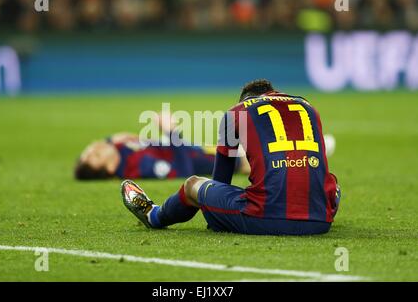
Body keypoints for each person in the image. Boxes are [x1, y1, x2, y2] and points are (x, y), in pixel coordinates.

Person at [121, 79, 340, 235]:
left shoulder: (236, 112)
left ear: (245, 99)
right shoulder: (309, 108)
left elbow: (221, 182)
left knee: (194, 185)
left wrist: (218, 218)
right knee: (332, 183)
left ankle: (154, 215)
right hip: (320, 221)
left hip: (264, 218)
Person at [74, 114, 250, 180]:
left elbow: (105, 144)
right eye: (95, 156)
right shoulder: (141, 165)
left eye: (88, 150)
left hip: (209, 149)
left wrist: (111, 139)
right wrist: (171, 131)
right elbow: (183, 172)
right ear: (110, 168)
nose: (95, 148)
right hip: (229, 160)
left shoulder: (119, 150)